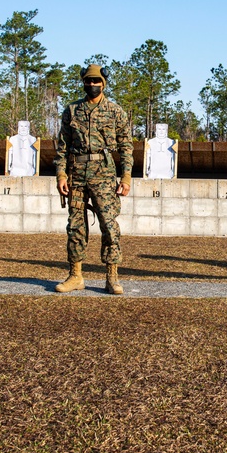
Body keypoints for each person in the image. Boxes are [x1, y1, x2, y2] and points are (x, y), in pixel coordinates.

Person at [53, 64, 133, 294]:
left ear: (103, 83)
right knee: (76, 227)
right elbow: (63, 148)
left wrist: (126, 177)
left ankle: (112, 277)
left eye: (96, 81)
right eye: (88, 81)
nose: (92, 85)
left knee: (109, 226)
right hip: (76, 176)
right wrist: (61, 175)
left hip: (104, 177)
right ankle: (75, 275)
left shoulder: (115, 111)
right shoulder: (72, 110)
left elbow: (126, 146)